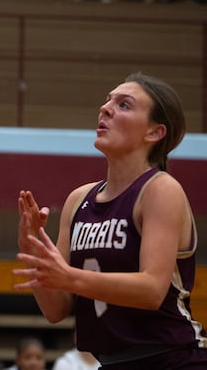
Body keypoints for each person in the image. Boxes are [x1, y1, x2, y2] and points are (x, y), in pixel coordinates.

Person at [15, 72, 207, 368]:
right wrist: (33, 252)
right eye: (108, 101)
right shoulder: (78, 199)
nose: (105, 109)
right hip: (110, 362)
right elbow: (56, 310)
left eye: (124, 105)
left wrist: (69, 277)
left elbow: (152, 290)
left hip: (174, 359)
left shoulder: (160, 189)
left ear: (154, 133)